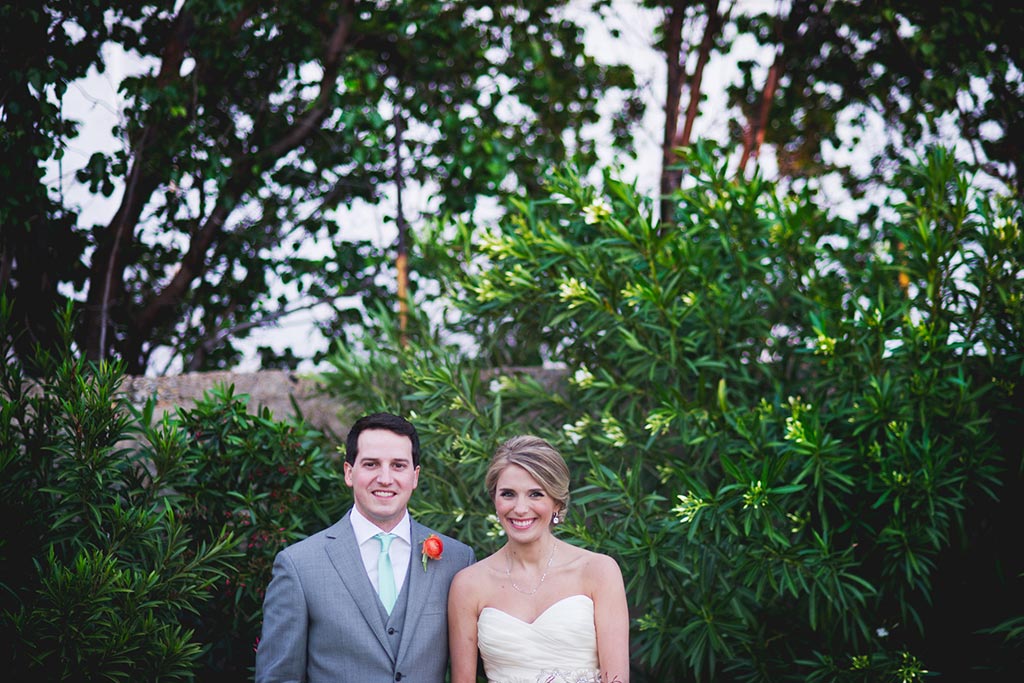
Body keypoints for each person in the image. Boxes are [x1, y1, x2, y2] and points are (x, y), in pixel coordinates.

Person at [255, 412, 475, 683]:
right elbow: (279, 677)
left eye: (398, 465)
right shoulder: (299, 566)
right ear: (349, 472)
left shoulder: (457, 560)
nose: (385, 478)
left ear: (415, 476)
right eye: (371, 464)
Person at [448, 435, 630, 683]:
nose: (521, 508)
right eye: (508, 494)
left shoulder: (599, 571)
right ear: (495, 500)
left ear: (556, 502)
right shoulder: (468, 584)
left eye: (535, 494)